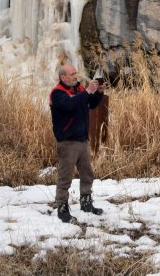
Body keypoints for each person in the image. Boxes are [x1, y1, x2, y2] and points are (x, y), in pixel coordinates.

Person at [50, 64, 105, 222]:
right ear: (63, 77)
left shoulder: (79, 89)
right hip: (67, 142)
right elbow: (70, 105)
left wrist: (99, 92)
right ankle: (62, 207)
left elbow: (91, 104)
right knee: (65, 177)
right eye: (72, 73)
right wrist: (88, 91)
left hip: (82, 140)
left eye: (75, 73)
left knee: (88, 174)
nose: (76, 75)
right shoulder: (57, 93)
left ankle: (86, 203)